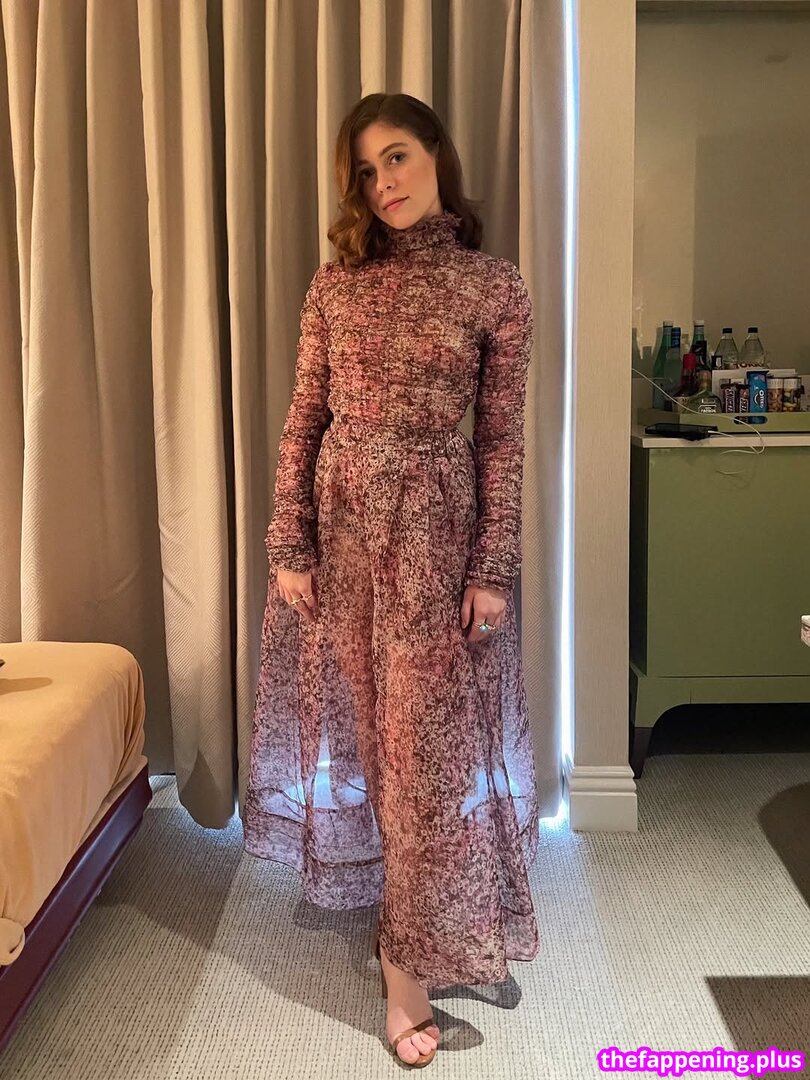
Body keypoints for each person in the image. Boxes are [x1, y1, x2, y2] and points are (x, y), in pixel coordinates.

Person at [243, 92, 540, 1069]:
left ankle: (405, 963)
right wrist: (289, 544)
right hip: (344, 534)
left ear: (437, 156)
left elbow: (501, 441)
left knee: (426, 756)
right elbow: (305, 420)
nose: (385, 183)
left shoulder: (494, 287)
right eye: (367, 171)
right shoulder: (337, 285)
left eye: (399, 157)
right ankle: (406, 941)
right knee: (377, 745)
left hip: (434, 537)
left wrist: (492, 567)